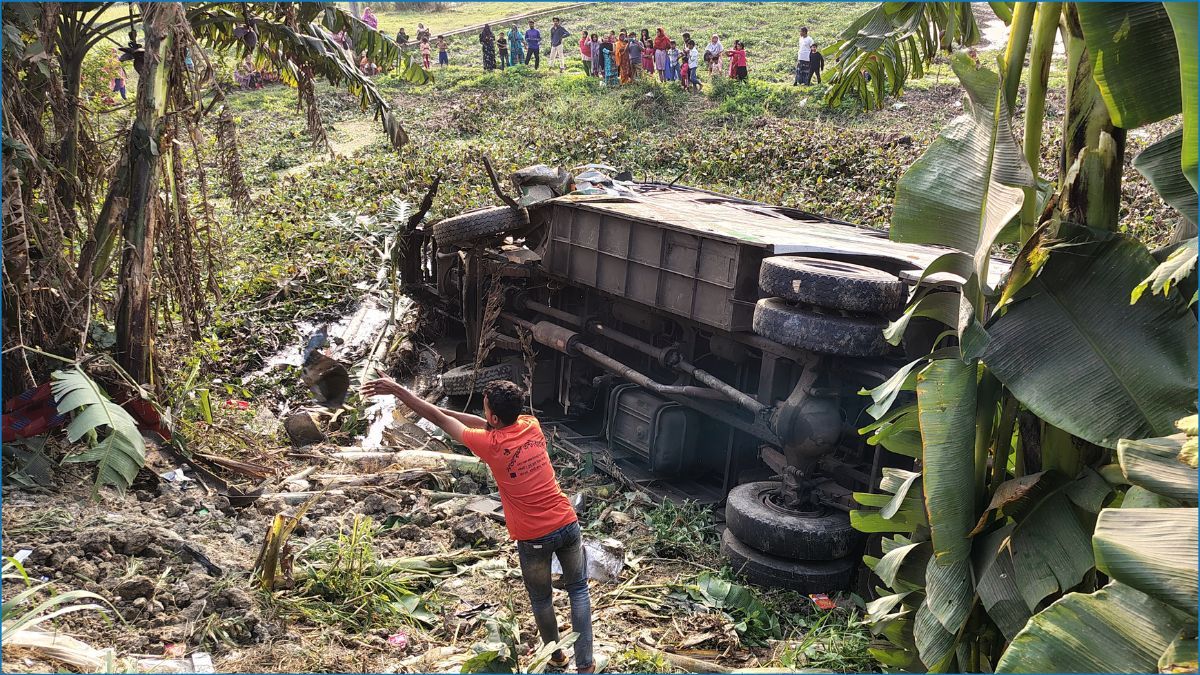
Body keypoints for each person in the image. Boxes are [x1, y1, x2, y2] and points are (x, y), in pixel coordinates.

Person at [360, 378, 597, 674]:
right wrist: (438, 409)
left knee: (541, 600)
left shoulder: (491, 445)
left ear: (494, 418)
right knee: (578, 590)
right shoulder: (530, 424)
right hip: (567, 523)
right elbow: (476, 422)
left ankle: (557, 658)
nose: (483, 415)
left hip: (534, 536)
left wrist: (399, 391)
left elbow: (442, 420)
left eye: (485, 410)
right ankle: (586, 665)